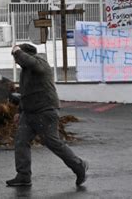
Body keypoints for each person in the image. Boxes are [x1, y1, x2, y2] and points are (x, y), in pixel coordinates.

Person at [6, 43, 88, 187]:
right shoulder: (25, 70)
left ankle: (79, 165)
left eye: (17, 57)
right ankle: (23, 175)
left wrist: (17, 51)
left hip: (45, 111)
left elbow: (31, 62)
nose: (16, 60)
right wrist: (20, 112)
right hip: (29, 113)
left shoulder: (40, 63)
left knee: (52, 142)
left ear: (26, 54)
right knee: (21, 141)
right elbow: (25, 93)